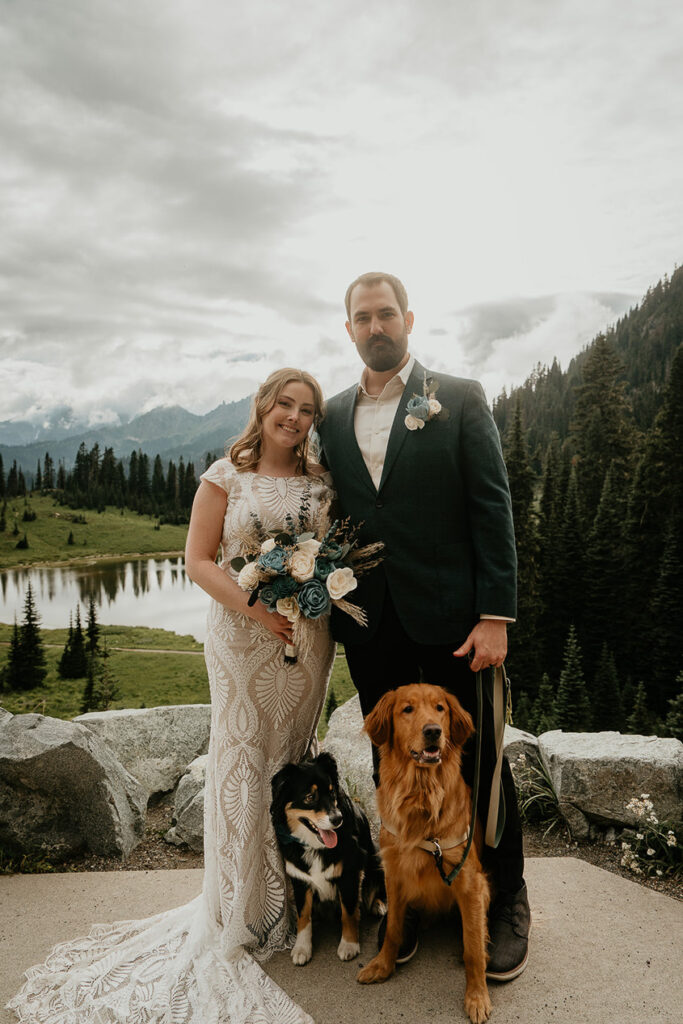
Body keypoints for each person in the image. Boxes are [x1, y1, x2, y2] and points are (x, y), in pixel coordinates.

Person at [8, 368, 334, 1024]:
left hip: (307, 641)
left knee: (292, 760)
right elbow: (198, 560)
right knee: (242, 758)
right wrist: (256, 606)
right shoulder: (225, 475)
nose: (293, 417)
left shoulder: (322, 484)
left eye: (306, 409)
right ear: (263, 407)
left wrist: (315, 586)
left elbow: (327, 554)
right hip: (243, 639)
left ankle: (298, 898)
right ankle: (239, 908)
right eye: (284, 404)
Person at [318, 272, 530, 982]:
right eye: (361, 317)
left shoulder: (459, 398)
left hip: (455, 625)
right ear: (347, 328)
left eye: (386, 314)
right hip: (373, 627)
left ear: (407, 319)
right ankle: (403, 901)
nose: (375, 327)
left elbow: (491, 507)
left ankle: (503, 905)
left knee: (480, 762)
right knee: (392, 763)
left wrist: (495, 614)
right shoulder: (332, 414)